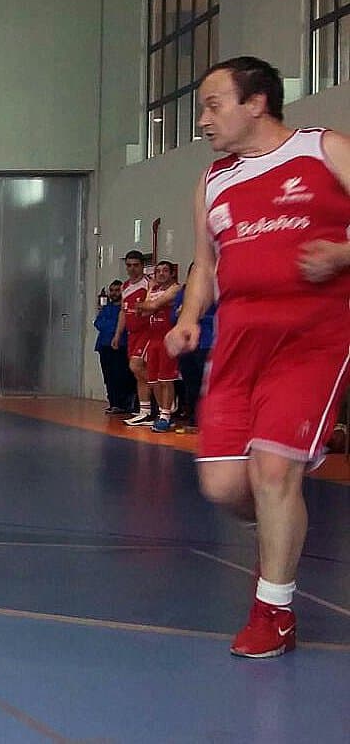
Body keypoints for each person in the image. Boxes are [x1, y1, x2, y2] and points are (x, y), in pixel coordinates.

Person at [165, 56, 350, 658]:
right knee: (223, 485)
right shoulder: (213, 180)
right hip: (238, 343)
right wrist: (190, 317)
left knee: (273, 471)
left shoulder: (324, 149)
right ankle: (280, 528)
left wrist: (342, 253)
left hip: (312, 338)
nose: (202, 119)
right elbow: (205, 264)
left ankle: (274, 609)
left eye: (213, 104)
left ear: (256, 103)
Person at [169, 264, 216, 432]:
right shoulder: (183, 293)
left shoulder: (213, 291)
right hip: (187, 345)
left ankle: (208, 419)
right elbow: (173, 316)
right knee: (190, 383)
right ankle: (194, 417)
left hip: (206, 342)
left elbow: (217, 313)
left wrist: (197, 314)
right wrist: (180, 314)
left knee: (207, 383)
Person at [136, 260, 182, 432]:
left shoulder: (176, 288)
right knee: (153, 379)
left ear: (171, 274)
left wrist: (148, 305)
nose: (161, 273)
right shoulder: (154, 289)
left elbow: (152, 306)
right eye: (158, 271)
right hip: (153, 338)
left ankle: (166, 414)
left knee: (166, 379)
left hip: (167, 338)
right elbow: (144, 311)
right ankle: (163, 413)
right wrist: (148, 305)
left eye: (165, 271)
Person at [113, 250, 153, 425]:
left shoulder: (149, 284)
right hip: (132, 334)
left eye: (136, 265)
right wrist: (117, 334)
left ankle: (163, 396)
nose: (132, 269)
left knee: (136, 365)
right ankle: (145, 410)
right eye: (129, 265)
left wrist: (144, 308)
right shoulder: (125, 286)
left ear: (142, 266)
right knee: (137, 373)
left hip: (147, 332)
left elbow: (154, 305)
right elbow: (123, 311)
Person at [94, 280, 131, 413]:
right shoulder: (106, 308)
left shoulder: (125, 309)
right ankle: (113, 402)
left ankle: (123, 403)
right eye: (112, 290)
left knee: (121, 375)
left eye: (117, 290)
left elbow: (122, 326)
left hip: (121, 345)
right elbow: (98, 323)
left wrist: (113, 329)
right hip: (104, 346)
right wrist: (111, 327)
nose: (114, 293)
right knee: (108, 376)